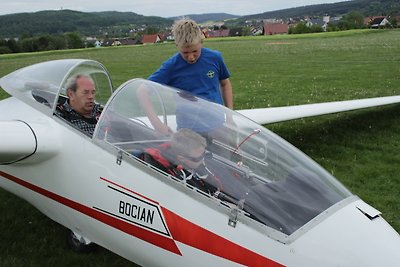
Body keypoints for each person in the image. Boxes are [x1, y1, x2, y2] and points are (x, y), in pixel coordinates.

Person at [146, 18, 234, 136]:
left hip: (217, 124)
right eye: (185, 53)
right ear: (177, 46)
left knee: (227, 153)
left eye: (195, 51)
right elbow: (142, 90)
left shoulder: (215, 58)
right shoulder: (171, 66)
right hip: (189, 131)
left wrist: (229, 116)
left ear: (201, 42)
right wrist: (156, 123)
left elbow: (225, 84)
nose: (191, 57)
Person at [140, 128, 221, 194]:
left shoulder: (194, 159)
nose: (203, 159)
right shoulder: (169, 173)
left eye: (205, 153)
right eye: (197, 158)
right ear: (182, 159)